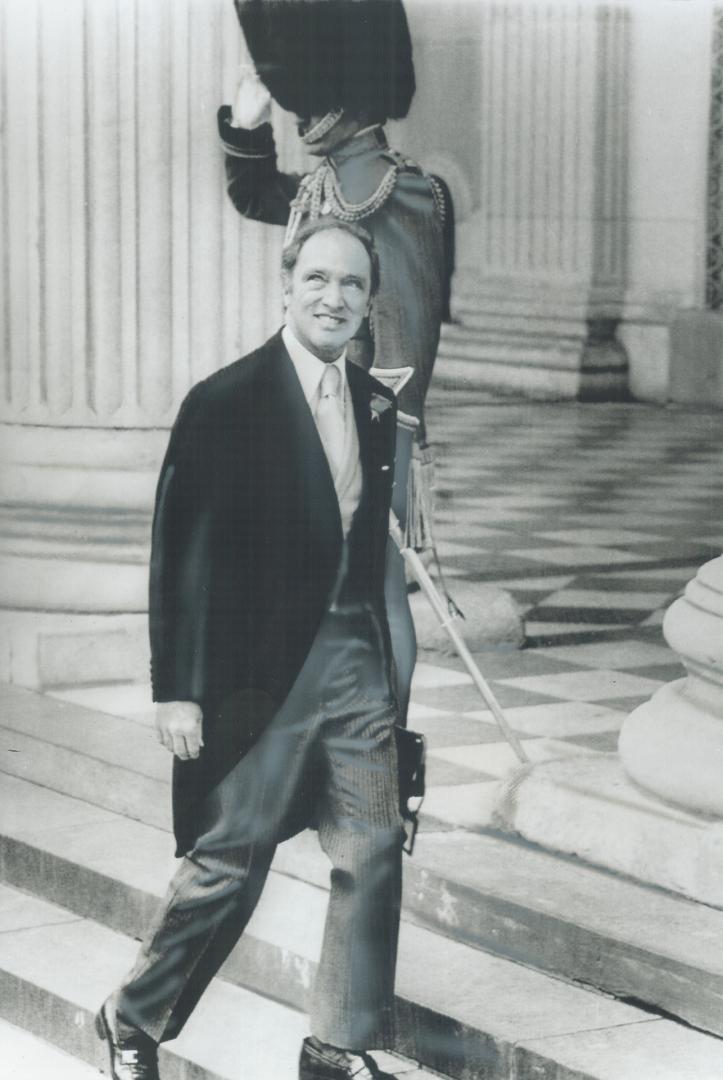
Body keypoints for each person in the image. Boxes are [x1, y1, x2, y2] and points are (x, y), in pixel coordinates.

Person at [95, 217, 405, 1080]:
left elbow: (369, 549)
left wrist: (393, 674)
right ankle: (131, 1018)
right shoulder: (224, 401)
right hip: (259, 673)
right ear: (285, 283)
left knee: (374, 847)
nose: (334, 297)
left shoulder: (375, 405)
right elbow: (180, 553)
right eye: (318, 279)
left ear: (367, 299)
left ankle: (337, 1043)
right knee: (227, 860)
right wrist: (177, 689)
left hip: (354, 664)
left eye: (351, 284)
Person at [216, 0, 450, 723]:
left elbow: (407, 339)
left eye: (304, 100)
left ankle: (382, 751)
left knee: (375, 592)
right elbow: (258, 196)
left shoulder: (397, 189)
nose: (299, 115)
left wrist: (385, 451)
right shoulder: (332, 182)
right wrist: (247, 123)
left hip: (368, 429)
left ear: (343, 97)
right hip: (314, 421)